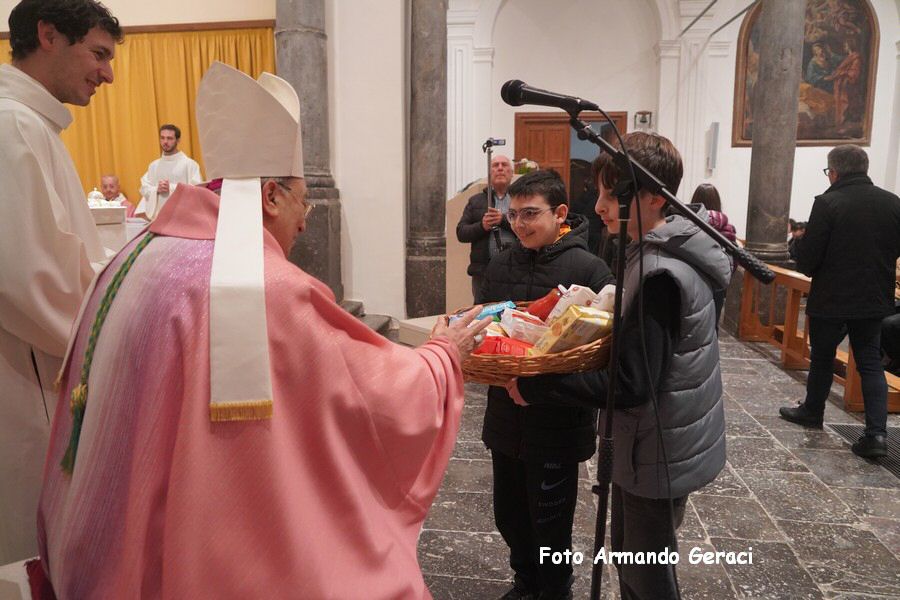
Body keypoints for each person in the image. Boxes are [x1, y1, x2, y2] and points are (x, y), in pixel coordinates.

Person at [35, 62, 489, 598]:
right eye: (302, 199)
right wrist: (442, 353)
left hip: (102, 544)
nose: (305, 219)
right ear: (270, 196)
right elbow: (374, 392)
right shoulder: (265, 287)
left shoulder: (136, 254)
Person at [507, 132, 731, 600]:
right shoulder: (652, 252)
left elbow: (630, 382)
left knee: (646, 574)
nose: (601, 204)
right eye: (602, 192)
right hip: (654, 438)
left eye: (612, 193)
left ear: (652, 196)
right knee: (632, 558)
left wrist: (542, 383)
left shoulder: (661, 273)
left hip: (658, 446)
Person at [0, 0, 120, 565]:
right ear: (48, 35)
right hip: (22, 373)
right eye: (98, 53)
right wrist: (122, 309)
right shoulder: (11, 125)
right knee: (25, 541)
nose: (108, 73)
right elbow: (29, 278)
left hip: (30, 360)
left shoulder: (30, 124)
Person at [479, 170, 613, 600]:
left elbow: (601, 352)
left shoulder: (589, 268)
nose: (519, 224)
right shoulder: (501, 264)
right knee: (510, 516)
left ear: (559, 213)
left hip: (557, 420)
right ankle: (525, 582)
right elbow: (488, 325)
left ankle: (555, 589)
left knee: (550, 522)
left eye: (530, 214)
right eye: (513, 214)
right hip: (505, 414)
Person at [780, 145, 900, 458]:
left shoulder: (827, 202)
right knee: (871, 363)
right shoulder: (893, 203)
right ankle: (875, 435)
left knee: (822, 356)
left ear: (834, 172)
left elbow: (809, 260)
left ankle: (813, 411)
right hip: (873, 298)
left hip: (831, 298)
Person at [456, 154, 516, 302]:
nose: (500, 168)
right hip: (483, 271)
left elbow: (530, 227)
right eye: (495, 166)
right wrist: (482, 226)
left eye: (504, 165)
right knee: (481, 314)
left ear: (512, 173)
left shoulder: (521, 199)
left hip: (516, 269)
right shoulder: (476, 201)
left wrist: (502, 220)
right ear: (489, 174)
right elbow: (461, 233)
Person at [136, 123, 202, 220]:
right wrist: (156, 189)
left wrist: (171, 188)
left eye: (169, 138)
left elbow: (197, 191)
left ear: (178, 140)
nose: (165, 142)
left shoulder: (190, 164)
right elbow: (145, 189)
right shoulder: (154, 166)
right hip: (158, 218)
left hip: (182, 218)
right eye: (162, 138)